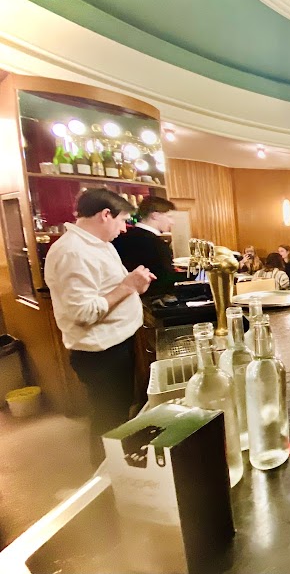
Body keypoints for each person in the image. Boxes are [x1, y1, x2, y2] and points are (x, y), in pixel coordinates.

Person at [45, 188, 155, 466]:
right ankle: (105, 485)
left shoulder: (99, 244)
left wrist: (133, 285)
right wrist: (128, 285)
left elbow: (109, 291)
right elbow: (84, 312)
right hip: (101, 352)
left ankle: (120, 472)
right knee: (108, 418)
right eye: (122, 221)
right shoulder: (72, 252)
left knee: (118, 414)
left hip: (117, 343)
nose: (124, 229)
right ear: (105, 215)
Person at [112, 196, 179, 298]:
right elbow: (165, 281)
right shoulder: (157, 244)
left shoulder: (119, 238)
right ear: (155, 215)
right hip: (150, 302)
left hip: (123, 298)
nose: (172, 222)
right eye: (169, 216)